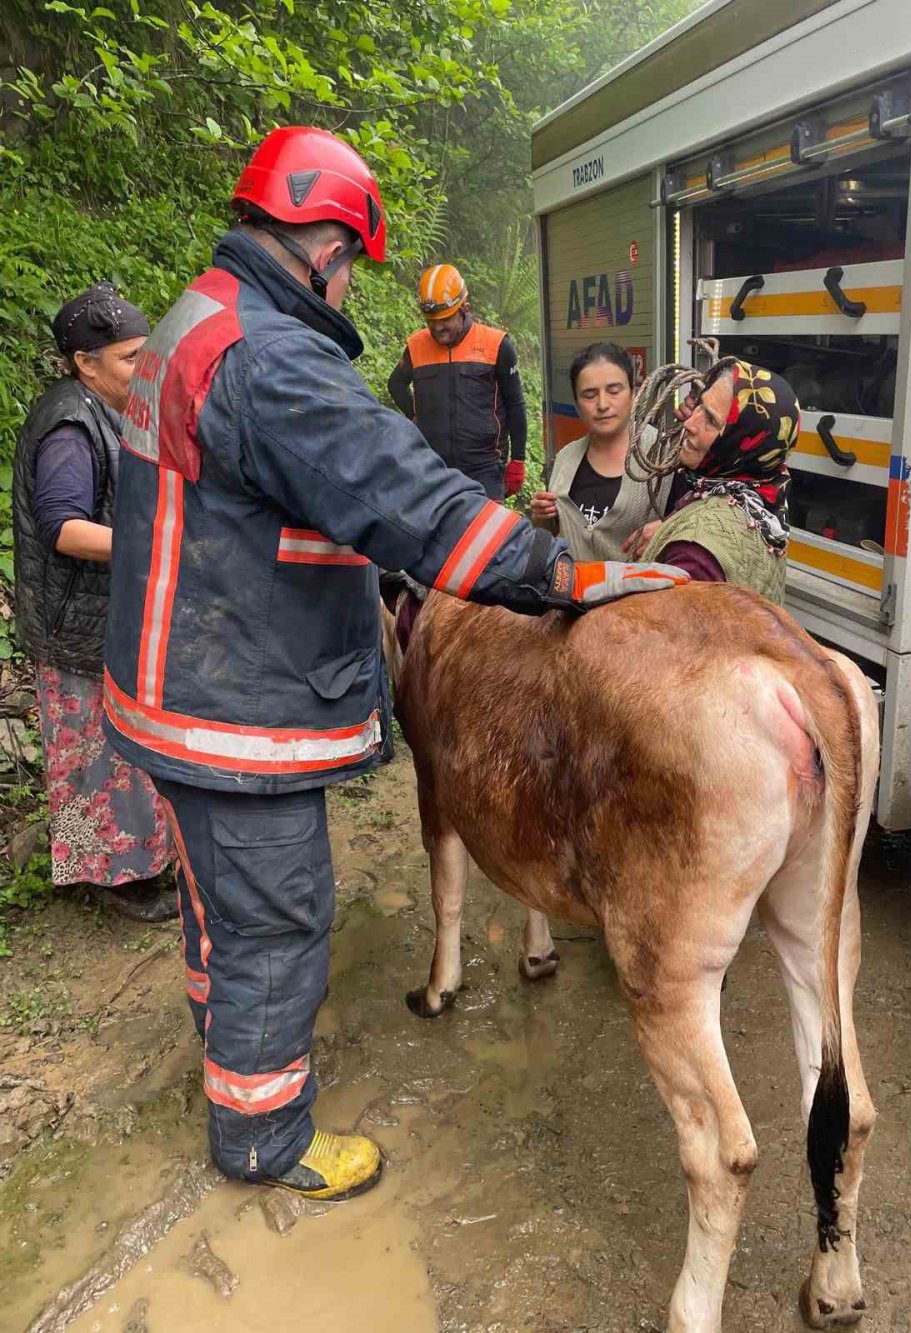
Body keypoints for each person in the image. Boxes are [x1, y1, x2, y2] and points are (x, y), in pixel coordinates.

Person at [101, 126, 688, 1204]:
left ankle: (222, 1034)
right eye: (351, 260)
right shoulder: (271, 360)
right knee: (278, 914)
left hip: (168, 679)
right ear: (324, 239)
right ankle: (264, 1136)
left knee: (220, 897)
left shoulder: (198, 318)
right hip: (231, 697)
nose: (351, 280)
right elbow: (413, 505)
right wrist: (567, 580)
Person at [12, 284, 177, 923]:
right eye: (132, 358)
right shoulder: (70, 422)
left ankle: (137, 862)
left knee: (122, 751)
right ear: (86, 362)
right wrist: (159, 544)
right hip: (74, 626)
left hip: (103, 615)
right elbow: (64, 527)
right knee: (94, 758)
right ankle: (116, 879)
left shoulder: (106, 409)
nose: (144, 370)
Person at [625, 358, 800, 604]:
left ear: (740, 443)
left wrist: (676, 539)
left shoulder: (694, 555)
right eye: (700, 406)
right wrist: (672, 527)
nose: (689, 423)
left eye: (711, 419)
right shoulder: (764, 496)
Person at [387, 263, 527, 502]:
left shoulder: (496, 345)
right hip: (433, 468)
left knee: (487, 539)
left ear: (465, 308)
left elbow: (515, 404)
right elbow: (396, 384)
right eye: (431, 321)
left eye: (445, 319)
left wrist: (518, 460)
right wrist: (415, 414)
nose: (438, 327)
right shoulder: (416, 346)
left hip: (485, 469)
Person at [529, 343, 670, 559]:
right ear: (576, 404)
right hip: (574, 589)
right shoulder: (565, 459)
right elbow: (552, 536)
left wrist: (670, 528)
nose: (603, 404)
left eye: (614, 391)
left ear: (634, 394)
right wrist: (542, 517)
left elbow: (699, 521)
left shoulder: (664, 455)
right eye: (589, 395)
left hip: (645, 591)